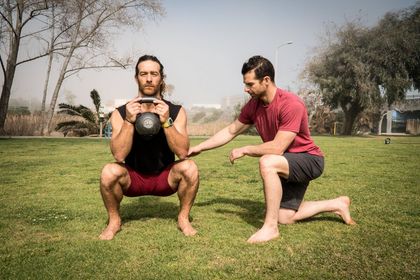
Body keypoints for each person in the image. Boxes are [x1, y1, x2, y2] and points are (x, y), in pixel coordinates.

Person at [188, 55, 355, 244]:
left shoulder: (291, 104)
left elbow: (277, 147)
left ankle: (270, 228)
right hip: (285, 161)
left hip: (309, 159)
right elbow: (231, 130)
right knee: (285, 217)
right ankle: (337, 204)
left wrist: (245, 149)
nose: (246, 89)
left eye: (250, 84)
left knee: (267, 161)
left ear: (266, 80)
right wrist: (200, 147)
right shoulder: (254, 106)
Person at [99, 55, 199, 240]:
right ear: (136, 77)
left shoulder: (176, 111)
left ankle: (183, 219)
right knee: (108, 171)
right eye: (143, 73)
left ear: (161, 78)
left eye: (154, 73)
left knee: (190, 168)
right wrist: (129, 121)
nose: (149, 78)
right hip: (133, 179)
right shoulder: (121, 112)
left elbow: (183, 152)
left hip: (164, 178)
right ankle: (114, 221)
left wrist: (166, 122)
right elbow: (119, 155)